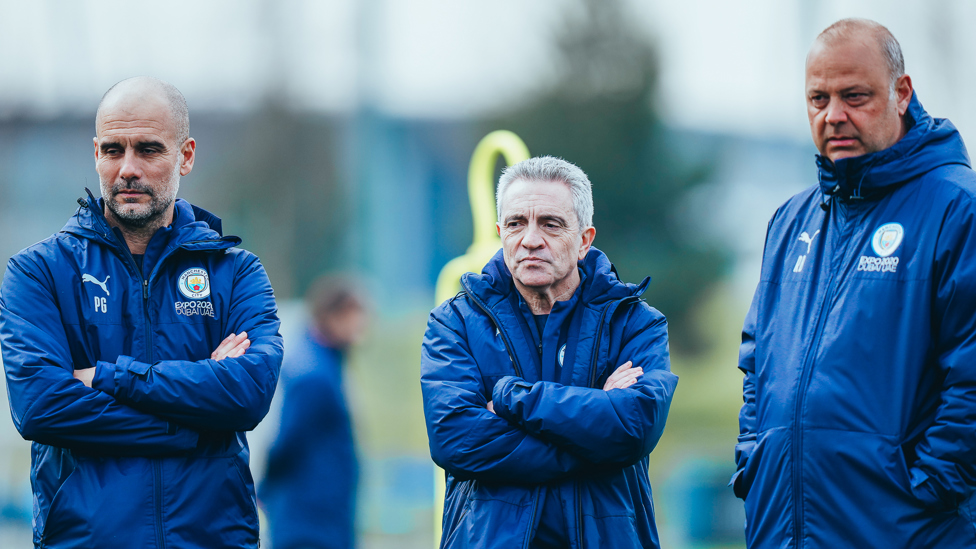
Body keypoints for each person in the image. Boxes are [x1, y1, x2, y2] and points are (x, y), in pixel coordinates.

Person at [0, 76, 283, 548]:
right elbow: (41, 407)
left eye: (148, 149)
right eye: (113, 150)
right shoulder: (39, 273)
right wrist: (194, 422)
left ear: (185, 156)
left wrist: (109, 377)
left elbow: (248, 395)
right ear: (96, 154)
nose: (127, 168)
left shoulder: (237, 273)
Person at [734, 18, 976, 547]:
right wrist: (752, 460)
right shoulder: (790, 221)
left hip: (905, 529)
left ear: (902, 93)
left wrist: (928, 488)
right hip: (783, 527)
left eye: (855, 96)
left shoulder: (959, 208)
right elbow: (757, 362)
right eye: (818, 99)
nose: (834, 116)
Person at [421, 156, 678, 548]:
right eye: (515, 224)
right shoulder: (454, 322)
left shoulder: (635, 323)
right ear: (499, 233)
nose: (530, 239)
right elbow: (456, 440)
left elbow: (632, 429)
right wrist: (593, 422)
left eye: (551, 224)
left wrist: (508, 397)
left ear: (584, 240)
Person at [261, 275, 368, 549]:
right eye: (353, 314)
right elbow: (286, 442)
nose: (362, 325)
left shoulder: (326, 364)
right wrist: (266, 487)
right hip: (309, 519)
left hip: (320, 515)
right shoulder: (314, 375)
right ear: (331, 315)